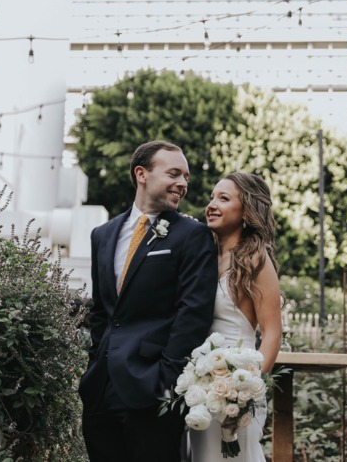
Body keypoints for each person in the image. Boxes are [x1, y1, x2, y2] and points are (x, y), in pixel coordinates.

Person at [78, 141, 218, 462]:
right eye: (173, 173)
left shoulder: (192, 235)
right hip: (101, 389)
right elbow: (102, 311)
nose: (182, 183)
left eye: (186, 177)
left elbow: (192, 314)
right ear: (142, 174)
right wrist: (94, 366)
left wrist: (165, 381)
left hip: (152, 391)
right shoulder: (103, 234)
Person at [190, 172, 283, 462]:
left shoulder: (255, 259)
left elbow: (271, 333)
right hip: (199, 385)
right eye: (212, 197)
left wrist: (244, 392)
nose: (211, 204)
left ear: (246, 211)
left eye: (224, 198)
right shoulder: (203, 254)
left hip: (236, 385)